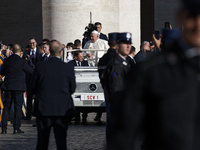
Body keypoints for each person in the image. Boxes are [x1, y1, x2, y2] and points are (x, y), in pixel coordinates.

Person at [117, 0, 200, 149]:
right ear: (180, 17)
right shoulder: (150, 71)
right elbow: (123, 135)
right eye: (193, 17)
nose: (198, 25)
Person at [31, 40, 76, 150]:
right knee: (61, 143)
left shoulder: (40, 67)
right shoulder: (68, 68)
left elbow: (33, 87)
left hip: (44, 108)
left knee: (42, 142)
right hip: (61, 109)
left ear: (49, 51)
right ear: (61, 52)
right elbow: (72, 88)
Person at [103, 32, 132, 149]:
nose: (128, 46)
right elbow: (117, 89)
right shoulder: (116, 64)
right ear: (117, 45)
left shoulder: (125, 62)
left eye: (129, 43)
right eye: (125, 43)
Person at [1, 44, 33, 134]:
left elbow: (2, 72)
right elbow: (31, 72)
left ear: (12, 50)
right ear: (20, 52)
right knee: (18, 107)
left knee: (6, 108)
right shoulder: (22, 61)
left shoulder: (7, 60)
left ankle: (4, 129)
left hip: (8, 87)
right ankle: (16, 128)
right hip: (18, 87)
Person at [95, 32, 120, 122]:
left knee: (110, 119)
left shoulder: (103, 59)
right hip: (118, 92)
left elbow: (101, 75)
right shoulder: (118, 58)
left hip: (107, 89)